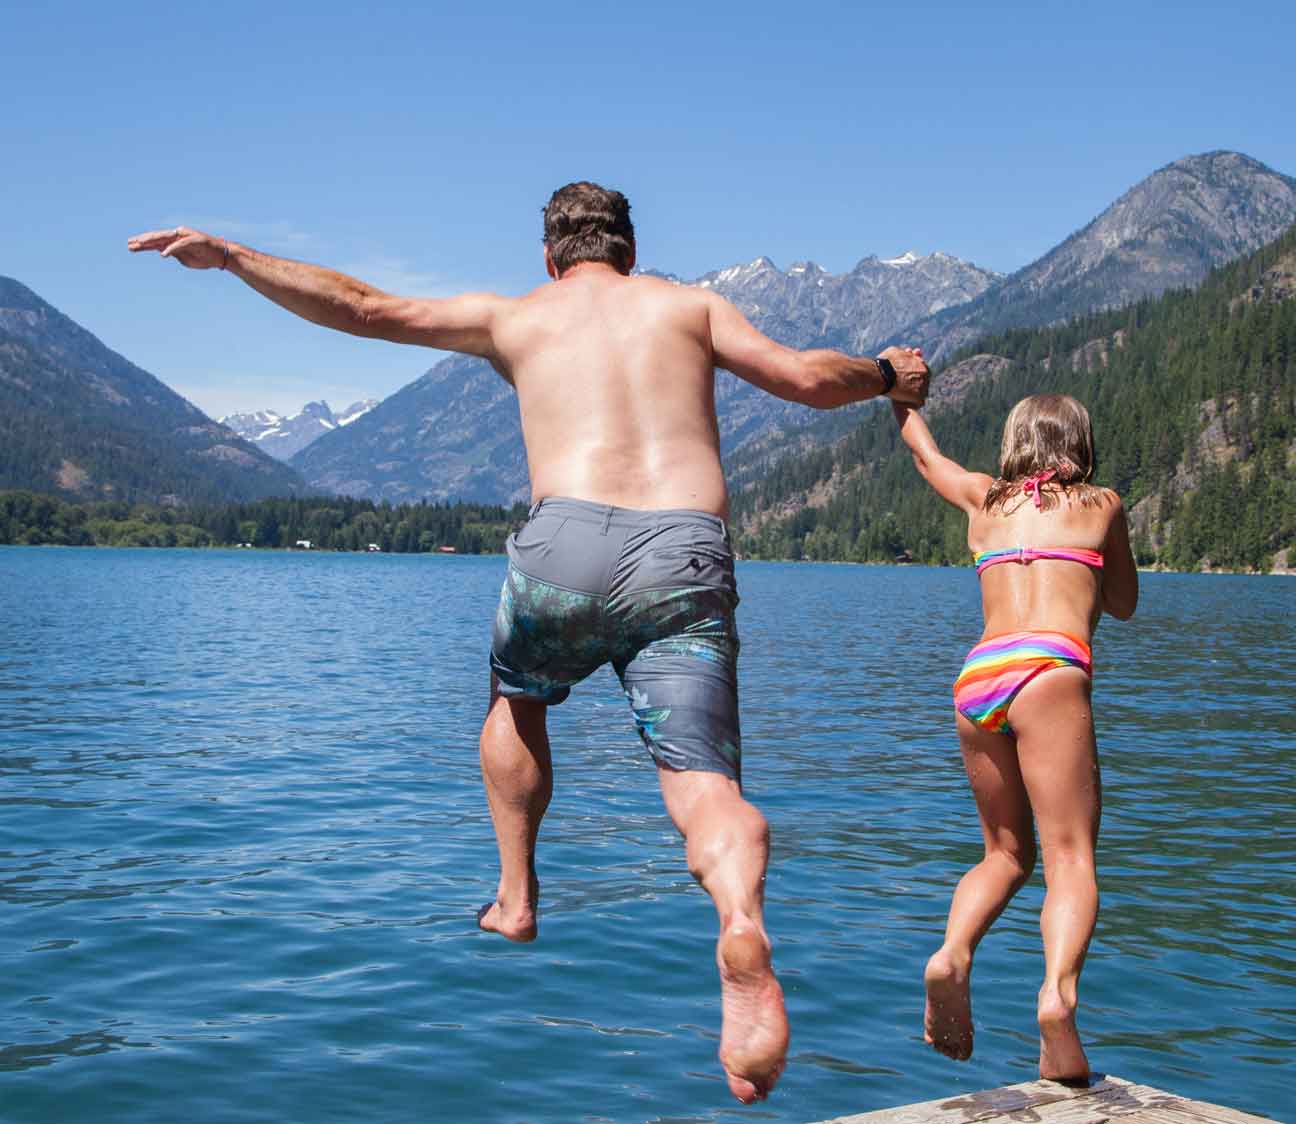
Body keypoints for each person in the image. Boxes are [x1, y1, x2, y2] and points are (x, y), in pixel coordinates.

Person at [129, 182, 931, 1104]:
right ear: (629, 252)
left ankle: (515, 896)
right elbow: (802, 379)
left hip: (563, 545)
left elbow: (363, 308)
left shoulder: (516, 317)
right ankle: (740, 917)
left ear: (550, 258)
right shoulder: (693, 307)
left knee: (519, 698)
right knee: (706, 789)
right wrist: (883, 374)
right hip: (683, 549)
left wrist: (231, 256)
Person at [890, 394, 1136, 1082]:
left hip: (978, 678)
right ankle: (1057, 997)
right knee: (1070, 859)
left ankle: (953, 952)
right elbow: (1122, 603)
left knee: (1003, 854)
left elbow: (926, 457)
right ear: (1079, 444)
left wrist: (899, 398)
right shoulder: (1103, 505)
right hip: (1048, 669)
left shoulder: (983, 500)